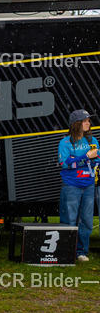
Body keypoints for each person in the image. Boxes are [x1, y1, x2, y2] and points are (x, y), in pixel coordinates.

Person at [59, 109, 99, 261]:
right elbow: (65, 164)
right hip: (71, 186)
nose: (88, 123)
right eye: (85, 121)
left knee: (86, 221)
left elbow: (97, 160)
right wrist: (85, 157)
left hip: (89, 186)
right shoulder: (65, 142)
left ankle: (81, 252)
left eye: (88, 120)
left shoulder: (92, 141)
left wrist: (77, 160)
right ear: (76, 124)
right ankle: (66, 251)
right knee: (69, 219)